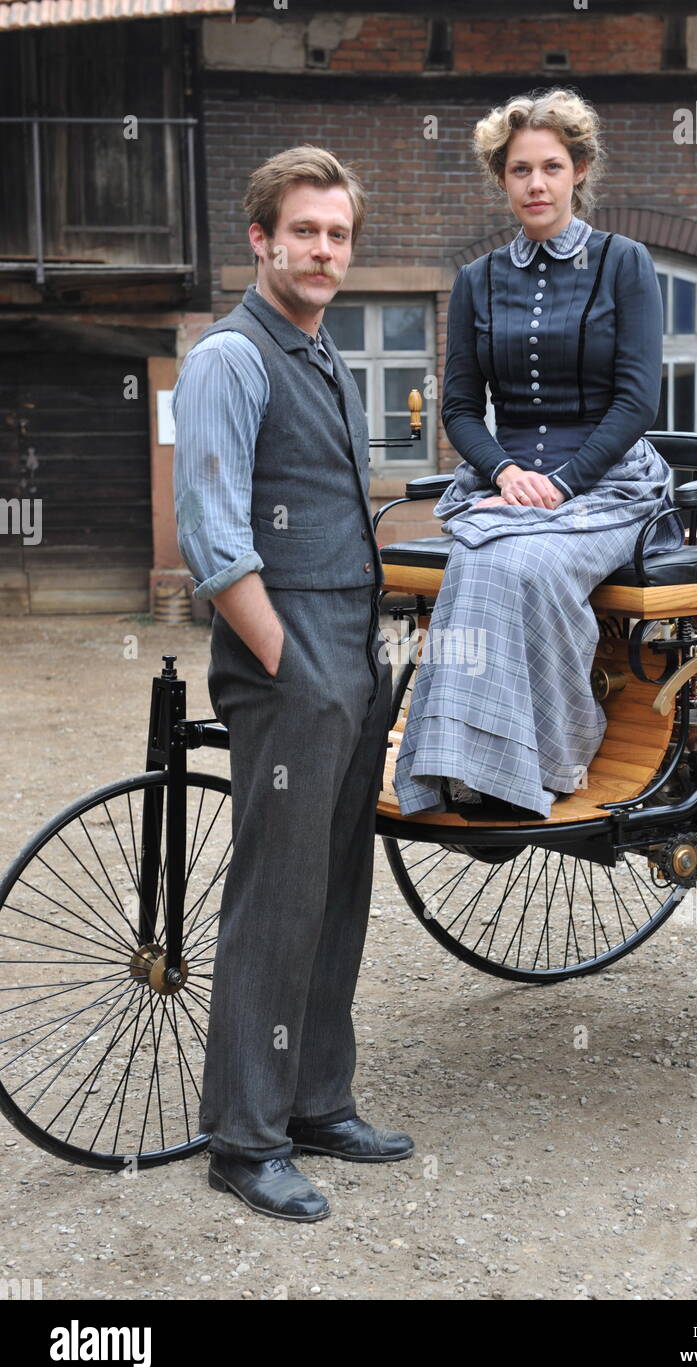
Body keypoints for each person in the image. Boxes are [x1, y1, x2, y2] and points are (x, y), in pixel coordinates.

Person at [171, 146, 413, 1224]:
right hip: (292, 660)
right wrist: (294, 666)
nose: (322, 250)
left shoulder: (319, 355)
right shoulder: (230, 358)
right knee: (275, 900)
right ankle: (246, 1137)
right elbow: (214, 544)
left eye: (337, 235)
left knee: (337, 889)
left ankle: (318, 1099)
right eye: (303, 231)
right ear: (260, 238)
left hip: (348, 650)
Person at [393, 88, 685, 822]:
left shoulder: (625, 263)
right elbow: (459, 409)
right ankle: (462, 765)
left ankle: (550, 753)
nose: (535, 184)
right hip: (504, 488)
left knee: (514, 563)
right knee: (483, 557)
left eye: (551, 167)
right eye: (519, 169)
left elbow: (635, 403)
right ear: (501, 179)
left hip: (609, 485)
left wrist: (558, 484)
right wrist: (505, 472)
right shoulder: (476, 280)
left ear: (578, 169)